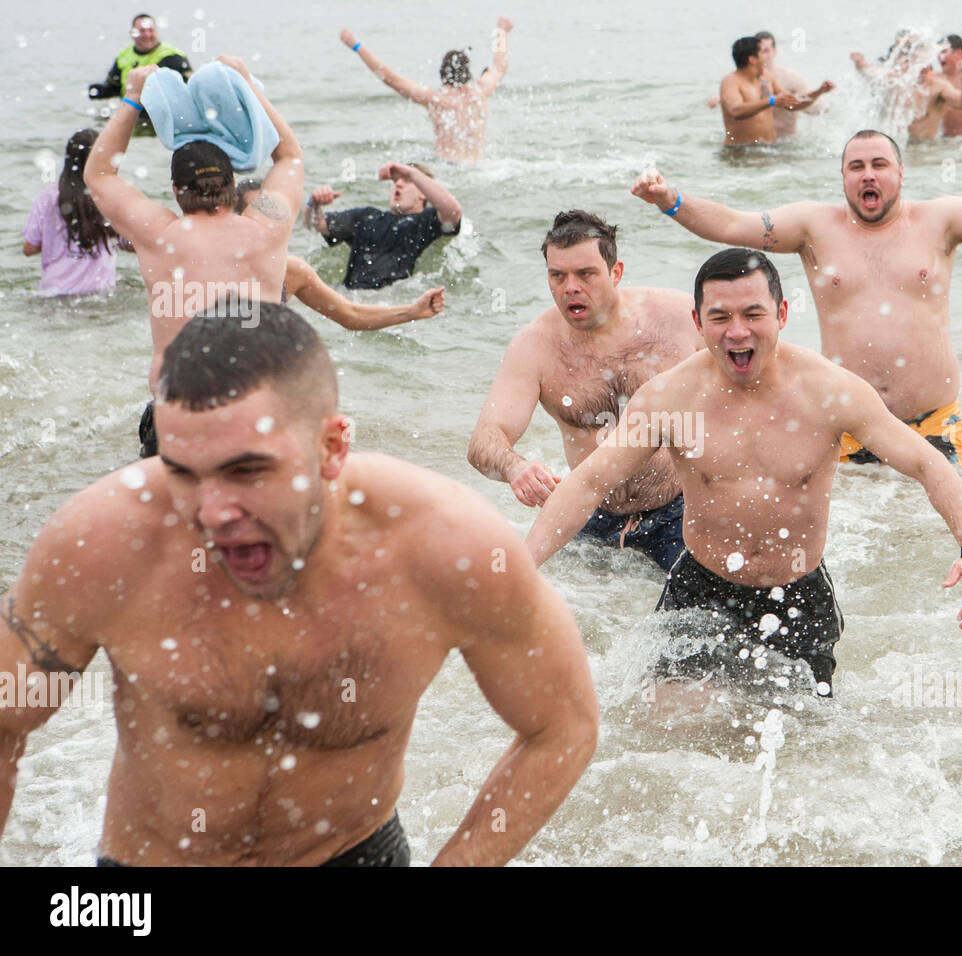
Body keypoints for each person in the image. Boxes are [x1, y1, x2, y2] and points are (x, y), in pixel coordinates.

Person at [0, 303, 598, 866]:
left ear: (332, 447)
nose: (213, 513)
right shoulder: (100, 545)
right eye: (181, 473)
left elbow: (563, 725)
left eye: (247, 470)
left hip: (351, 851)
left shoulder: (442, 544)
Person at [524, 249, 962, 697]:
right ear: (697, 322)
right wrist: (520, 569)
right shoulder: (670, 398)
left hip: (797, 593)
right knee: (665, 725)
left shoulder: (829, 393)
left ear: (782, 315)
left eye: (753, 315)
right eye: (720, 317)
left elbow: (928, 465)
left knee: (804, 742)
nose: (737, 332)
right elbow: (588, 484)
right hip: (700, 587)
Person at [631, 131, 962, 467]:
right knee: (847, 548)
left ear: (900, 172)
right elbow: (731, 225)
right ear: (843, 178)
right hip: (844, 423)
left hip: (934, 421)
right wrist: (671, 201)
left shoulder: (940, 221)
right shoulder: (812, 227)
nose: (868, 174)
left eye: (880, 164)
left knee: (936, 539)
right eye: (856, 166)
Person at [85, 56, 302, 458]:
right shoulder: (266, 229)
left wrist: (132, 97)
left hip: (180, 419)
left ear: (175, 190)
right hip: (258, 417)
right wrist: (247, 85)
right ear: (234, 183)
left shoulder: (160, 236)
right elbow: (289, 156)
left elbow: (99, 174)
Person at [468, 211, 698, 571]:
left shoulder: (681, 318)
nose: (570, 287)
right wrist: (514, 467)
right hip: (588, 515)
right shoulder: (535, 347)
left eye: (585, 274)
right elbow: (484, 441)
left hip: (682, 510)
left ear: (616, 272)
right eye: (557, 276)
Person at [236, 180, 444, 329]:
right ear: (232, 218)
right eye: (258, 213)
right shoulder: (206, 260)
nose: (271, 223)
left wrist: (413, 311)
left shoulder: (289, 271)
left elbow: (351, 315)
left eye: (274, 213)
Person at [338, 18, 512, 163]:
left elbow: (391, 79)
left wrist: (356, 46)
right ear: (468, 72)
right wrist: (502, 30)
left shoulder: (436, 99)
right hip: (477, 167)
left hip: (447, 167)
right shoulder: (480, 92)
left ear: (442, 74)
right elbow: (500, 64)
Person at [304, 162, 462, 291]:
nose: (398, 184)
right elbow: (316, 225)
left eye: (406, 181)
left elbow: (453, 212)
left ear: (423, 194)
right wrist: (314, 203)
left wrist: (412, 172)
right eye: (395, 181)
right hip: (349, 295)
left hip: (393, 297)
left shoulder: (425, 221)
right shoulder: (366, 216)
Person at [23, 130, 120, 296]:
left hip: (54, 293)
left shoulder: (49, 196)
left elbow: (29, 248)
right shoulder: (110, 197)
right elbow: (131, 242)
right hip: (98, 295)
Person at [850, 34, 962, 140]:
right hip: (902, 148)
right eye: (919, 64)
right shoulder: (898, 81)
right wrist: (860, 63)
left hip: (928, 149)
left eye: (926, 65)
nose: (923, 68)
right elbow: (871, 73)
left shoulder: (939, 87)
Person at [87, 13, 192, 134]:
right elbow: (115, 86)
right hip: (132, 115)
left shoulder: (173, 56)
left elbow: (189, 90)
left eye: (150, 30)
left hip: (158, 121)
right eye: (142, 31)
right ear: (133, 34)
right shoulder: (124, 56)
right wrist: (101, 91)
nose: (147, 35)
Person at [720, 36, 833, 145]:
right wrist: (771, 101)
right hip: (739, 152)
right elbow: (736, 111)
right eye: (762, 52)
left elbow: (793, 103)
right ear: (752, 59)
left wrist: (818, 92)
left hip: (770, 150)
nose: (767, 57)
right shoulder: (730, 81)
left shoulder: (766, 77)